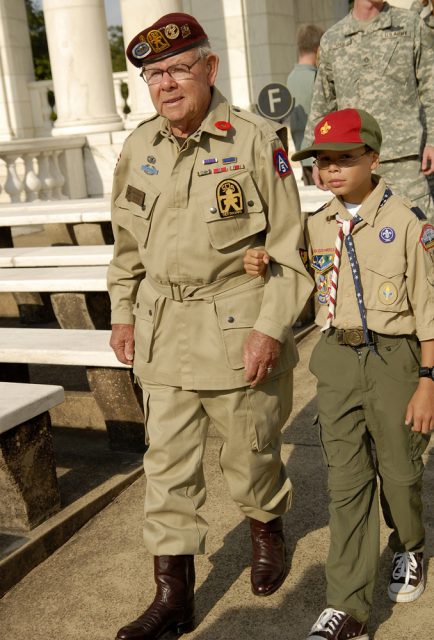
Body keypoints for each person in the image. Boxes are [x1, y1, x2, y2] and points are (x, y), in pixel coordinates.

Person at [107, 12, 313, 640]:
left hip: (235, 326)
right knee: (166, 466)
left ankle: (266, 525)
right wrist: (122, 311)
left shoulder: (253, 140)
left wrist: (271, 328)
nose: (164, 84)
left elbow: (287, 250)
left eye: (176, 68)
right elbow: (125, 246)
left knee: (250, 456)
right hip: (164, 327)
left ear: (209, 69)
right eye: (152, 74)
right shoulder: (139, 145)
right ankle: (173, 595)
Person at [244, 107, 434, 640]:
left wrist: (428, 381)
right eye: (323, 161)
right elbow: (297, 274)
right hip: (336, 359)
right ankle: (347, 605)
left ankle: (410, 544)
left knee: (399, 474)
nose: (331, 170)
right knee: (346, 483)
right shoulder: (317, 225)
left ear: (373, 158)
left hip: (394, 359)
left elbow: (429, 308)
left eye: (345, 160)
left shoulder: (407, 223)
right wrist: (262, 261)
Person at [304, 0, 434, 221]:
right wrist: (315, 157)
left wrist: (432, 140)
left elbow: (430, 89)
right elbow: (323, 103)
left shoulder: (410, 26)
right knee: (365, 241)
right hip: (353, 163)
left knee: (420, 238)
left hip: (404, 161)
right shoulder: (333, 39)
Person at [286, 24, 324, 186]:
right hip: (319, 155)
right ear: (318, 49)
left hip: (302, 152)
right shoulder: (317, 78)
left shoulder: (291, 77)